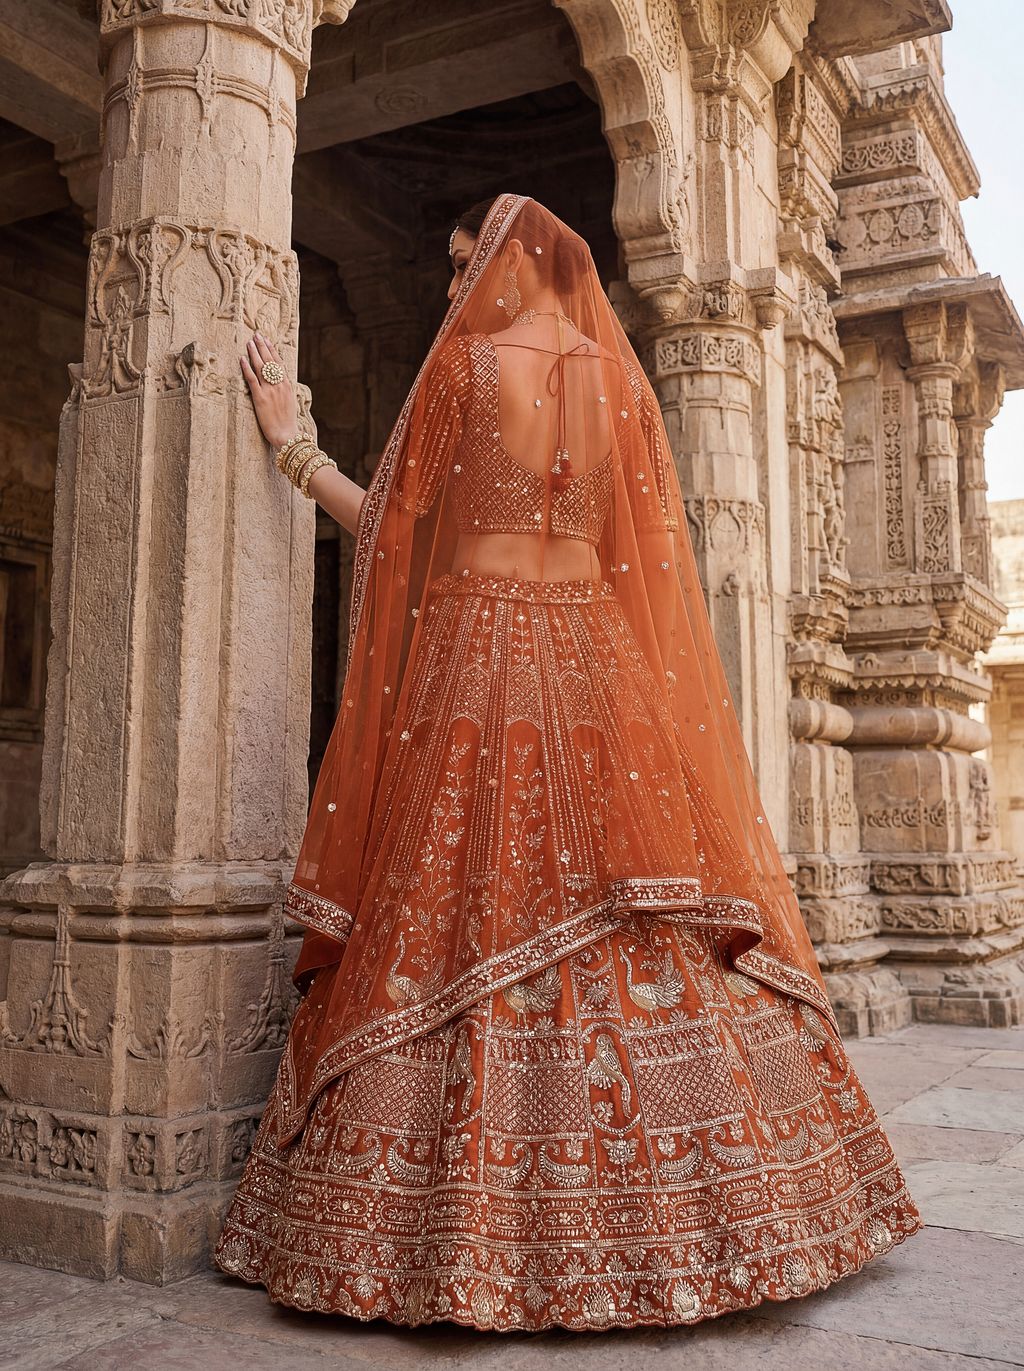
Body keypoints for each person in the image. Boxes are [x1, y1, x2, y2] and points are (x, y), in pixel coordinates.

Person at [214, 193, 922, 1331]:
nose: (453, 291)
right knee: (629, 903)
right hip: (597, 662)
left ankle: (450, 1232)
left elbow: (394, 532)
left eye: (460, 268)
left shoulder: (466, 371)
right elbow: (647, 563)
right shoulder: (620, 386)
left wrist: (292, 445)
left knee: (460, 904)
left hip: (478, 658)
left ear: (508, 266)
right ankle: (719, 1204)